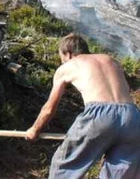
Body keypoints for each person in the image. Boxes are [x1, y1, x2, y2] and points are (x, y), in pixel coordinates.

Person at [26, 32, 140, 179]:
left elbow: (49, 108)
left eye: (62, 58)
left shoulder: (69, 66)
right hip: (132, 117)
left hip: (100, 115)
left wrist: (34, 130)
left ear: (68, 54)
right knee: (122, 174)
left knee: (64, 167)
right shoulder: (110, 60)